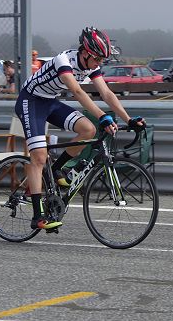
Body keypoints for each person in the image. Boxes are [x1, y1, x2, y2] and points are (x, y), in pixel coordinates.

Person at [15, 26, 146, 230]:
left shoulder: (90, 65)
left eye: (101, 60)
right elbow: (76, 91)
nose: (98, 64)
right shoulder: (64, 61)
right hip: (30, 101)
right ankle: (37, 216)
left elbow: (107, 94)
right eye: (97, 59)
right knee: (39, 156)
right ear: (85, 52)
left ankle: (57, 169)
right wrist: (102, 116)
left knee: (88, 129)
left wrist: (128, 119)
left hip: (49, 102)